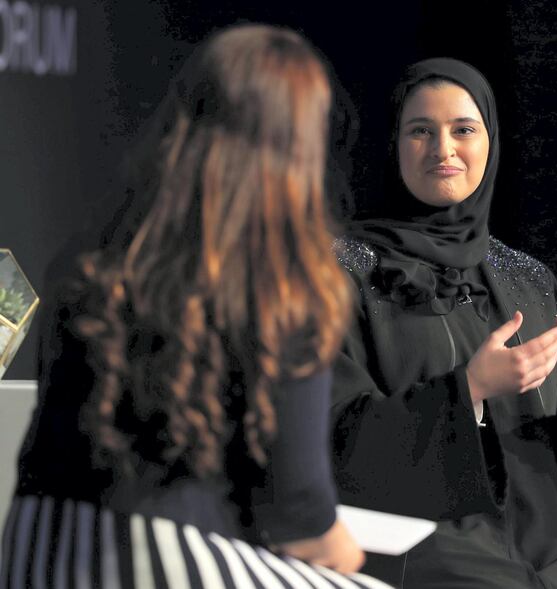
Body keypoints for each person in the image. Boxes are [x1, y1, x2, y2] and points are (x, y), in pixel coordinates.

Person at [1, 24, 392, 589]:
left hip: (33, 549)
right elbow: (298, 513)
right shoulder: (288, 287)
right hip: (160, 557)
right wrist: (352, 557)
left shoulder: (90, 257)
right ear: (299, 144)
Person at [331, 58, 557, 588]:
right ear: (391, 143)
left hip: (554, 567)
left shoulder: (527, 279)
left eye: (463, 130)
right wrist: (468, 389)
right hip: (426, 565)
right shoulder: (336, 273)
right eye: (420, 130)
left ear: (490, 142)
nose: (443, 149)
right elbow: (326, 440)